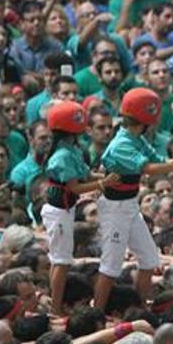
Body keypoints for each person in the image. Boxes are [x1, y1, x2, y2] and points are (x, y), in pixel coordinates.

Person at [93, 89, 173, 312]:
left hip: (130, 206)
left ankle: (140, 307)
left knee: (149, 259)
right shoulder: (121, 144)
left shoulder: (137, 138)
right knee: (111, 266)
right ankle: (96, 313)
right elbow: (148, 169)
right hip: (115, 209)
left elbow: (157, 159)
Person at [42, 101, 115, 314]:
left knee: (61, 260)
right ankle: (55, 309)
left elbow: (86, 174)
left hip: (66, 210)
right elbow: (75, 187)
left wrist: (109, 178)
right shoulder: (62, 155)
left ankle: (55, 303)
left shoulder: (72, 149)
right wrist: (105, 183)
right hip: (58, 211)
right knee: (61, 261)